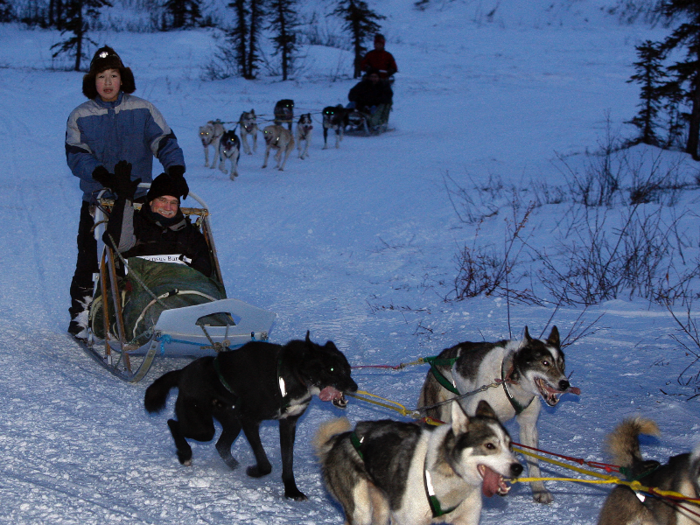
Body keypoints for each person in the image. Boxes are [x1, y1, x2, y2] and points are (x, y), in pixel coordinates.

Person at [65, 46, 186, 340]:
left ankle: (129, 313)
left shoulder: (143, 109)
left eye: (114, 76)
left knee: (134, 257)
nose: (107, 82)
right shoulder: (80, 115)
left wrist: (176, 171)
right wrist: (103, 176)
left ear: (123, 79)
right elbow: (77, 155)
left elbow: (164, 141)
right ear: (92, 81)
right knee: (90, 259)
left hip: (137, 199)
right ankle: (81, 315)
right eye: (101, 76)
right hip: (98, 199)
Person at [104, 163, 213, 279]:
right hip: (137, 289)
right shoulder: (134, 224)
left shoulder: (189, 233)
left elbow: (204, 267)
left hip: (182, 289)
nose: (168, 207)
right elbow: (120, 245)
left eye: (173, 202)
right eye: (163, 200)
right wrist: (124, 198)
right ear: (150, 202)